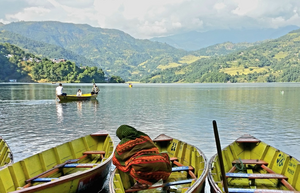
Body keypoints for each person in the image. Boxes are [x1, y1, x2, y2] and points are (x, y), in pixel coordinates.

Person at [112, 125, 172, 190]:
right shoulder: (144, 136)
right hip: (162, 166)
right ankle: (165, 183)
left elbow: (116, 159)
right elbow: (155, 149)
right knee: (164, 156)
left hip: (143, 168)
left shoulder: (123, 144)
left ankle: (142, 183)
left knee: (129, 166)